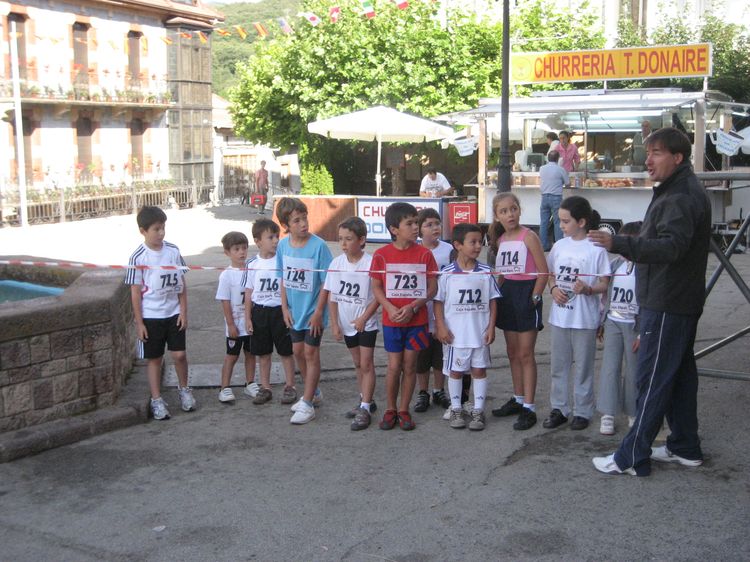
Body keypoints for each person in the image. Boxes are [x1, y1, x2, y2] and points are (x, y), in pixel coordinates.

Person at [590, 127, 711, 477]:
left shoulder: (680, 195)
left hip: (669, 300)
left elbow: (672, 247)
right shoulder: (678, 189)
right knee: (679, 377)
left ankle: (631, 456)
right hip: (676, 299)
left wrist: (620, 244)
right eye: (649, 152)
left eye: (657, 152)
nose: (648, 159)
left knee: (653, 379)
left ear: (678, 157)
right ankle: (685, 447)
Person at [544, 196, 610, 431]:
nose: (561, 225)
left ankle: (583, 410)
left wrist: (588, 289)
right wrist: (553, 289)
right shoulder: (559, 246)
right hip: (560, 317)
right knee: (558, 366)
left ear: (581, 222)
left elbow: (605, 282)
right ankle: (559, 408)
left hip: (585, 318)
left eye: (566, 221)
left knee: (583, 367)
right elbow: (550, 274)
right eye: (560, 221)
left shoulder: (596, 249)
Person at [370, 202, 438, 431]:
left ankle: (404, 409)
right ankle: (390, 409)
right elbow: (376, 287)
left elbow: (432, 288)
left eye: (416, 222)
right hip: (392, 321)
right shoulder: (381, 255)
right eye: (409, 223)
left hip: (417, 322)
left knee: (410, 366)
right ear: (394, 229)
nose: (415, 227)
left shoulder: (425, 254)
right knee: (394, 366)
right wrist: (389, 308)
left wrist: (414, 306)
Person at [125, 206, 195, 420]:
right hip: (151, 315)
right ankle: (156, 399)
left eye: (163, 228)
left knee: (179, 355)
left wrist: (183, 311)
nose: (161, 233)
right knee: (154, 358)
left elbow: (181, 283)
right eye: (156, 229)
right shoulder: (138, 257)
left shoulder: (173, 251)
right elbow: (135, 292)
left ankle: (184, 389)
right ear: (143, 231)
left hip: (173, 312)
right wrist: (139, 323)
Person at [487, 193, 548, 430]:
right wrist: (495, 292)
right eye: (503, 211)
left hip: (527, 293)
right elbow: (503, 273)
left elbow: (543, 271)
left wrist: (535, 296)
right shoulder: (501, 239)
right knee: (512, 352)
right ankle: (518, 398)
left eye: (513, 209)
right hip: (508, 294)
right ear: (497, 216)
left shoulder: (529, 236)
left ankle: (529, 407)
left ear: (519, 210)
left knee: (525, 353)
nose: (510, 214)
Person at [434, 223, 500, 431]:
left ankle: (478, 411)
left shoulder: (486, 272)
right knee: (455, 371)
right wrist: (441, 326)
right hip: (456, 335)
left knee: (479, 370)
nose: (478, 246)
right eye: (473, 242)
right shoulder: (447, 273)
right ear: (458, 245)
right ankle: (456, 408)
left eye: (480, 241)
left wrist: (491, 327)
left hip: (479, 333)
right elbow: (438, 302)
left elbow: (493, 301)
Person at [275, 198, 333, 425]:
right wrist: (284, 308)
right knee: (297, 351)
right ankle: (314, 392)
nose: (303, 224)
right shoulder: (283, 246)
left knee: (311, 353)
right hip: (294, 312)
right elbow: (282, 278)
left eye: (304, 218)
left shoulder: (319, 246)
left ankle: (307, 403)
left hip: (313, 313)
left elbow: (327, 282)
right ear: (285, 225)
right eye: (296, 220)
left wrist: (319, 312)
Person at [324, 217, 380, 430]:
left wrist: (364, 317)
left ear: (362, 240)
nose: (343, 243)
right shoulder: (336, 263)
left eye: (348, 239)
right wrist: (335, 323)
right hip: (347, 323)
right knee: (357, 363)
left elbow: (378, 295)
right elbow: (332, 296)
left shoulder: (371, 263)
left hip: (366, 323)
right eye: (340, 239)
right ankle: (365, 398)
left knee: (366, 363)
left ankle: (365, 408)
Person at [244, 219, 297, 406]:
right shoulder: (252, 264)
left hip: (280, 312)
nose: (275, 241)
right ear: (258, 241)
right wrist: (247, 318)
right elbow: (248, 292)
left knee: (286, 351)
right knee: (263, 353)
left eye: (277, 236)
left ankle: (290, 386)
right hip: (260, 312)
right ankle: (265, 387)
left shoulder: (283, 260)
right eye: (270, 237)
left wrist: (288, 310)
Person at [596, 221, 642, 435]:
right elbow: (605, 296)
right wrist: (601, 321)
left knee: (634, 369)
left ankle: (633, 411)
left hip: (634, 324)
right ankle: (608, 413)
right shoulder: (615, 265)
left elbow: (650, 301)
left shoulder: (646, 267)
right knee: (610, 367)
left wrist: (643, 333)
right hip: (613, 320)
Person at [414, 208, 453, 413]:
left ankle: (439, 390)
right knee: (421, 355)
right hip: (421, 310)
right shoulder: (415, 250)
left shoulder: (449, 250)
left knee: (440, 354)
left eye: (437, 223)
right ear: (419, 229)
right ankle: (423, 392)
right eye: (429, 225)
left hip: (443, 311)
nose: (434, 227)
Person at [215, 231, 257, 403]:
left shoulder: (252, 270)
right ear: (227, 252)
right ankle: (224, 387)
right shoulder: (227, 275)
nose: (241, 252)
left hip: (250, 323)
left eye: (244, 248)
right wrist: (231, 324)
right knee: (232, 355)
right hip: (235, 324)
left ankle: (250, 383)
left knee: (251, 353)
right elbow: (225, 301)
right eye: (237, 249)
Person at [538, 150, 569, 251]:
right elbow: (567, 183)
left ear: (548, 158)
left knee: (544, 222)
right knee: (557, 221)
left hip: (544, 197)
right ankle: (558, 246)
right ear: (558, 159)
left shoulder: (542, 168)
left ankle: (543, 245)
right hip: (556, 197)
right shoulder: (560, 169)